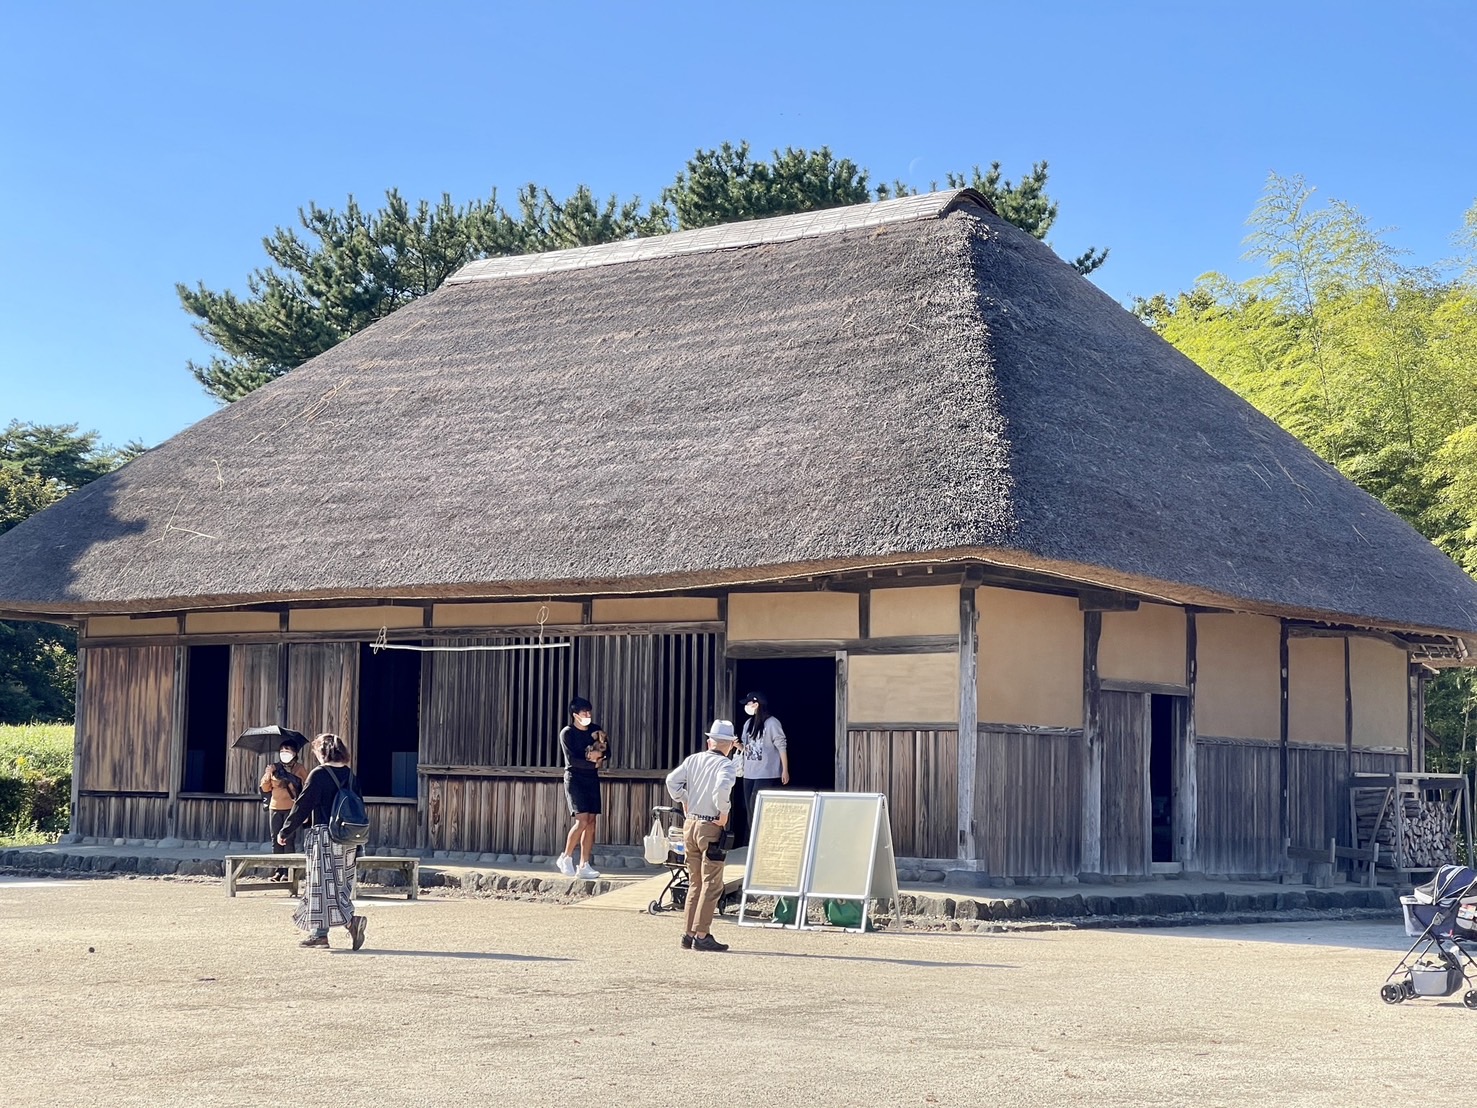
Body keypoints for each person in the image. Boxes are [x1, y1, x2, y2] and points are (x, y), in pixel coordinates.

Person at [276, 733, 367, 950]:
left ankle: (350, 921)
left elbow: (303, 805)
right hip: (349, 838)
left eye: (316, 751)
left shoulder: (319, 774)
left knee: (320, 884)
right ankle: (320, 934)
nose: (315, 756)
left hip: (325, 834)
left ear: (323, 751)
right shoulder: (351, 775)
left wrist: (286, 831)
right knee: (339, 884)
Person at [665, 720, 740, 952]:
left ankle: (688, 933)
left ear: (710, 741)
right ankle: (702, 933)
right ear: (729, 745)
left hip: (690, 824)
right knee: (712, 883)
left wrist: (684, 798)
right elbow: (721, 789)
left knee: (695, 881)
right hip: (710, 824)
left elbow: (671, 780)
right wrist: (724, 812)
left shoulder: (693, 759)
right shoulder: (725, 765)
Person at [556, 696, 606, 880]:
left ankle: (584, 864)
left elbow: (605, 750)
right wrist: (593, 762)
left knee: (592, 821)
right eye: (584, 712)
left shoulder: (595, 729)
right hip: (575, 778)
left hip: (591, 778)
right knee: (582, 820)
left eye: (589, 711)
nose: (588, 714)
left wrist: (600, 757)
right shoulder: (567, 733)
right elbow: (572, 760)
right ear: (575, 714)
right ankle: (566, 857)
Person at [738, 691, 788, 842]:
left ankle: (763, 840)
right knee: (749, 809)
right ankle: (752, 840)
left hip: (767, 772)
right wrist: (737, 745)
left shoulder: (772, 723)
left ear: (756, 704)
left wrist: (785, 769)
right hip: (749, 772)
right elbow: (747, 748)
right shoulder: (748, 724)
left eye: (748, 703)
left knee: (759, 807)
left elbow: (781, 745)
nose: (746, 706)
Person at [260, 738, 308, 881]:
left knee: (288, 838)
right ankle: (278, 870)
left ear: (294, 753)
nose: (284, 754)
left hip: (291, 807)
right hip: (275, 807)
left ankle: (289, 871)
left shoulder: (299, 768)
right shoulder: (274, 767)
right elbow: (265, 787)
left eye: (287, 751)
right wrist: (268, 774)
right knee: (275, 839)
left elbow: (304, 785)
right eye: (281, 751)